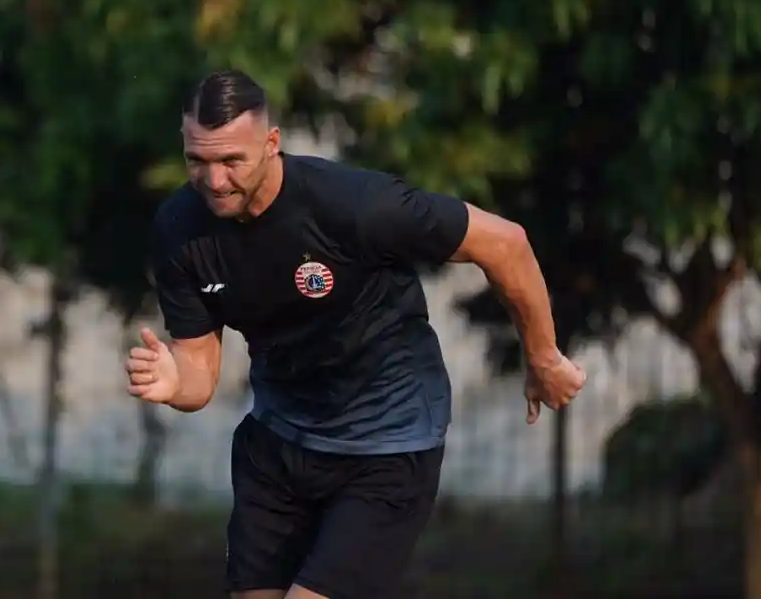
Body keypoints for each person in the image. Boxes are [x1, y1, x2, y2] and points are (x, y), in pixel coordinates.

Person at [125, 70, 586, 599]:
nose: (214, 180)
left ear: (271, 144)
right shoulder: (180, 230)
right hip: (279, 443)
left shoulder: (354, 206)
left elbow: (504, 243)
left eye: (232, 161)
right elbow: (199, 376)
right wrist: (171, 380)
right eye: (197, 161)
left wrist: (544, 356)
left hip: (386, 446)